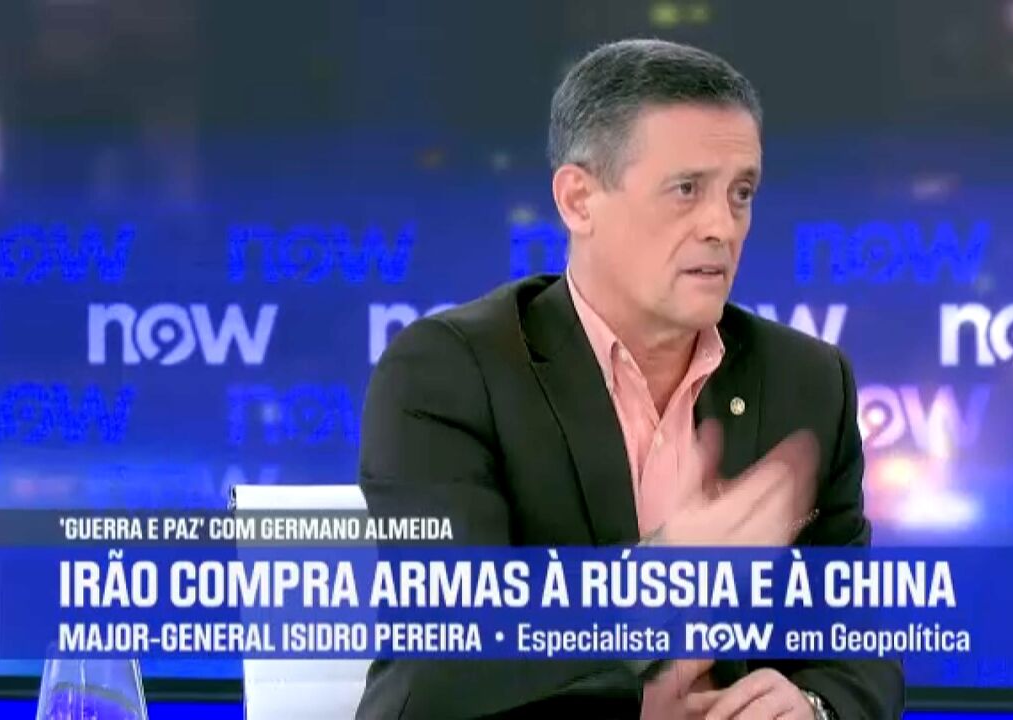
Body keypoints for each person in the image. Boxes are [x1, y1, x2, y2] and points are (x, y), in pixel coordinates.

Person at [356, 38, 905, 720]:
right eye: (686, 190)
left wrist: (815, 706)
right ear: (579, 199)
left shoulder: (808, 381)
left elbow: (857, 645)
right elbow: (449, 656)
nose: (722, 226)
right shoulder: (450, 372)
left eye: (741, 193)